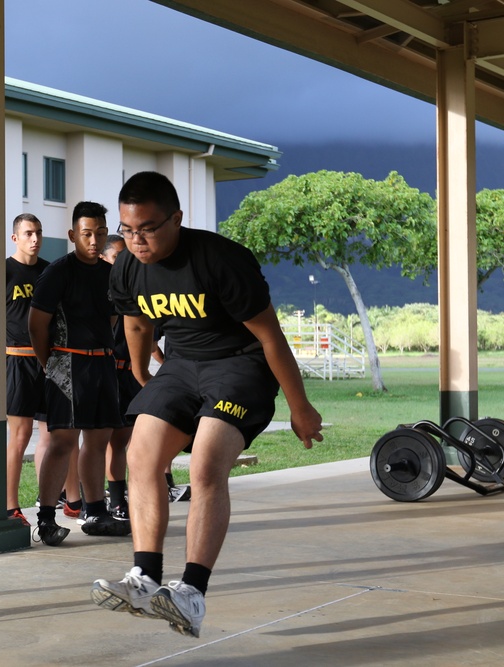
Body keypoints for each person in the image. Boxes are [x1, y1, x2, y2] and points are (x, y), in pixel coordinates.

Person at [90, 171, 323, 637]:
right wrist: (142, 376)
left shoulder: (221, 260)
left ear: (177, 218)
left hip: (241, 365)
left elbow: (270, 336)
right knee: (141, 454)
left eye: (149, 228)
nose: (136, 240)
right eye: (128, 229)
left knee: (206, 465)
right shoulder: (127, 267)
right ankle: (144, 577)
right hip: (182, 363)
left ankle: (192, 594)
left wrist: (300, 407)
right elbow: (136, 324)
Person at [28, 201, 130, 545]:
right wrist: (51, 364)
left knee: (98, 440)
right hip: (67, 363)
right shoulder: (58, 271)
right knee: (63, 441)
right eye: (87, 233)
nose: (94, 240)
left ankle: (96, 510)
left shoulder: (110, 273)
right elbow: (35, 325)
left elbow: (113, 319)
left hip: (103, 363)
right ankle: (45, 518)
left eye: (100, 233)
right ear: (73, 234)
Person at [99, 234, 164, 521]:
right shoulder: (101, 292)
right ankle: (102, 501)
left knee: (124, 441)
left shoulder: (138, 290)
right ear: (104, 259)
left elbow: (148, 340)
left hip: (131, 375)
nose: (125, 263)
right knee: (102, 440)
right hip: (106, 372)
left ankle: (120, 497)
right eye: (117, 257)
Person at [4, 213, 53, 527]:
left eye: (38, 233)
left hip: (47, 363)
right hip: (16, 361)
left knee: (51, 436)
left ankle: (47, 504)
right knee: (20, 436)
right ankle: (11, 506)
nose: (34, 239)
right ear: (15, 238)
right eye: (28, 233)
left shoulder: (50, 271)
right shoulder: (3, 270)